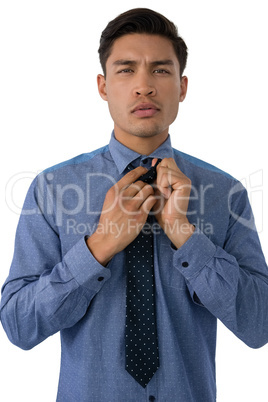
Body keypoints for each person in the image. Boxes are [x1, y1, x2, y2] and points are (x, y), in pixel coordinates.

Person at [1, 7, 268, 402]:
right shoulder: (52, 189)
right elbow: (19, 326)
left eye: (160, 70)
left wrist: (185, 234)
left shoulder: (225, 193)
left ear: (182, 86)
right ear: (103, 86)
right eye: (126, 70)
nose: (144, 86)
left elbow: (259, 324)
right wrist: (100, 246)